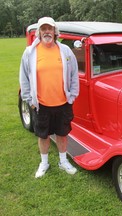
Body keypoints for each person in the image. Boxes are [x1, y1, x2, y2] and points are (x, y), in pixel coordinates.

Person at [19, 17, 79, 178]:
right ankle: (44, 163)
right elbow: (24, 78)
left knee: (62, 133)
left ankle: (63, 161)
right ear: (39, 32)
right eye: (43, 29)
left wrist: (71, 97)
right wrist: (30, 101)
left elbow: (74, 75)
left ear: (55, 32)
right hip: (41, 105)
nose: (47, 32)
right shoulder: (30, 52)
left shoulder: (65, 50)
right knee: (43, 135)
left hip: (63, 102)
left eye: (50, 29)